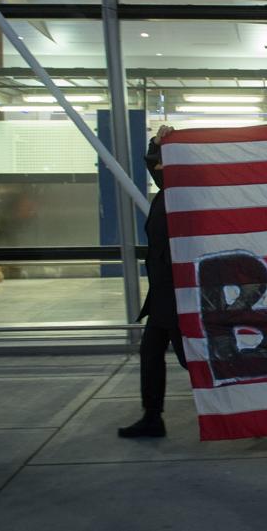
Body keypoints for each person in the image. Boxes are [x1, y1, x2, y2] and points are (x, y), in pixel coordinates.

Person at [118, 124, 188, 439]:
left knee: (192, 359)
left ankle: (244, 406)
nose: (157, 168)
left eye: (163, 162)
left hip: (177, 293)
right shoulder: (167, 194)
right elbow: (155, 167)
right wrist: (157, 141)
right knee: (151, 352)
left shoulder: (183, 197)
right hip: (164, 292)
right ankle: (152, 416)